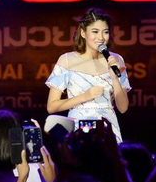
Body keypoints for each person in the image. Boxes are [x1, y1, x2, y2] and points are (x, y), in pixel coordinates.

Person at [46, 7, 131, 143]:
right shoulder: (66, 60)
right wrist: (85, 96)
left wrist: (115, 79)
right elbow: (52, 106)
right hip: (78, 128)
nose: (101, 38)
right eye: (95, 32)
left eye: (105, 32)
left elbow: (123, 108)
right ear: (83, 33)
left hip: (107, 128)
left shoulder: (116, 60)